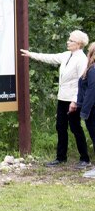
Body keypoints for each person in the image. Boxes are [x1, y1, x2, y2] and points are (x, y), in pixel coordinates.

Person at [20, 30, 91, 168]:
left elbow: (81, 82)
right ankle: (60, 157)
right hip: (62, 98)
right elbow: (49, 57)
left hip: (73, 100)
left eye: (70, 40)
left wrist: (75, 101)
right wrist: (30, 54)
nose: (67, 42)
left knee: (76, 128)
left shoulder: (81, 59)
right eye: (68, 39)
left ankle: (85, 159)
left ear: (79, 44)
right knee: (60, 127)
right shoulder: (66, 55)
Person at [76, 43, 95, 176]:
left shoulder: (93, 70)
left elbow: (91, 91)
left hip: (92, 110)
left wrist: (85, 111)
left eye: (89, 51)